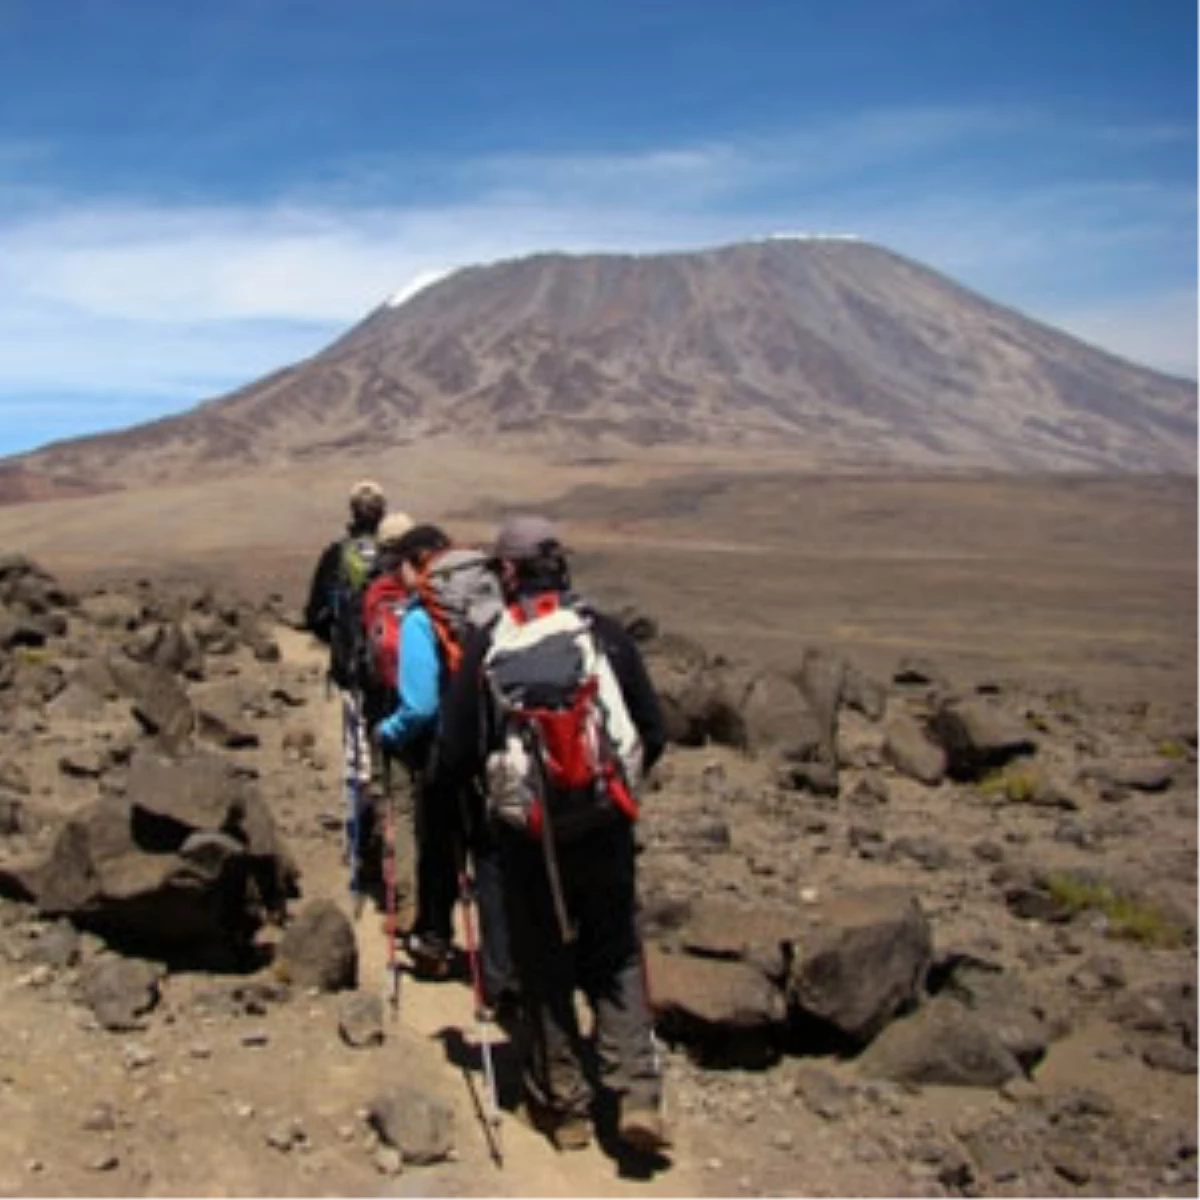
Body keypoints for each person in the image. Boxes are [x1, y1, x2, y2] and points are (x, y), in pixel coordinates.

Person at [441, 514, 669, 1155]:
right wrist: (617, 794)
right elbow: (653, 730)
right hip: (605, 823)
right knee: (616, 950)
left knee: (543, 962)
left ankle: (563, 1108)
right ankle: (636, 1095)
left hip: (526, 837)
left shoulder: (489, 642)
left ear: (506, 573)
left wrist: (473, 812)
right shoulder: (604, 635)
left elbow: (457, 751)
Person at [373, 523, 459, 978]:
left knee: (436, 843)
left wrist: (388, 731)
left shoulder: (422, 615)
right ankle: (509, 970)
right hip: (495, 743)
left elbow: (421, 704)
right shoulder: (483, 601)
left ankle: (432, 936)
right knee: (490, 855)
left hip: (438, 746)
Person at [303, 481, 396, 898]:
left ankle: (365, 851)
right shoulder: (398, 555)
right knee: (394, 757)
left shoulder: (336, 556)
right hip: (395, 677)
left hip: (353, 675)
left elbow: (314, 615)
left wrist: (341, 650)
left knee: (358, 761)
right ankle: (396, 842)